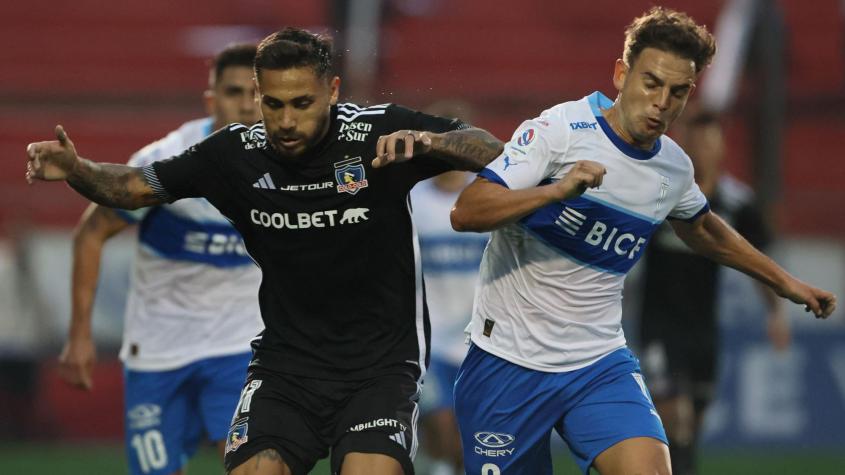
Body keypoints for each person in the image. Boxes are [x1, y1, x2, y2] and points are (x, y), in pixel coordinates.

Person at [25, 27, 503, 475]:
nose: (287, 120)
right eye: (273, 104)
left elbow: (490, 148)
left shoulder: (378, 133)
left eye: (302, 103)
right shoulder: (232, 154)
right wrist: (77, 168)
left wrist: (433, 141)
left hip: (379, 368)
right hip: (284, 367)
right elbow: (131, 188)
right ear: (257, 96)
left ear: (333, 91)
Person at [449, 7, 836, 475]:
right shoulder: (559, 132)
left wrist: (783, 282)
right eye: (651, 83)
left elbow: (703, 227)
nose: (661, 103)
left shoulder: (672, 167)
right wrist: (556, 190)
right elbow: (467, 211)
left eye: (677, 92)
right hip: (507, 362)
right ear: (620, 74)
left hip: (597, 363)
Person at [54, 43, 263, 475]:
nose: (246, 104)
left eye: (257, 93)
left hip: (241, 347)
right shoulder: (165, 160)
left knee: (253, 466)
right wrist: (79, 335)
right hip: (158, 347)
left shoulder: (288, 165)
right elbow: (92, 232)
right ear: (211, 99)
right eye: (233, 92)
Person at [637, 106, 790, 475]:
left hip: (704, 331)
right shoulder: (659, 193)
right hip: (658, 326)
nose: (702, 152)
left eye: (710, 144)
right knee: (677, 418)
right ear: (685, 147)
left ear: (720, 150)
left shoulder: (737, 203)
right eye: (696, 143)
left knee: (690, 430)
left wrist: (775, 313)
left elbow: (758, 261)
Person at [412, 172, 486, 475]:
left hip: (482, 340)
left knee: (472, 446)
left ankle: (438, 466)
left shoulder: (486, 193)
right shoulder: (412, 198)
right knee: (444, 430)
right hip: (430, 341)